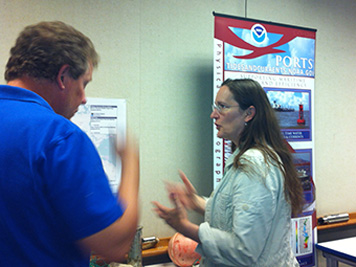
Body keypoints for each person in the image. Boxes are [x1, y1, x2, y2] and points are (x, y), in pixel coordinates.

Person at [0, 21, 139, 266]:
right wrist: (131, 164)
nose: (84, 99)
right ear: (63, 76)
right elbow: (113, 244)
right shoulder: (59, 137)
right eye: (84, 83)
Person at [153, 78, 304, 267]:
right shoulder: (250, 156)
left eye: (223, 107)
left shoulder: (255, 164)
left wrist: (185, 227)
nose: (213, 115)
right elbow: (237, 212)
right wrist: (196, 202)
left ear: (249, 114)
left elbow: (244, 250)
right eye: (215, 106)